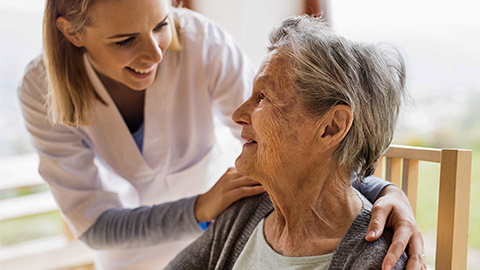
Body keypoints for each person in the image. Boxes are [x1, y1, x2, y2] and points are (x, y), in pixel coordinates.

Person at [17, 0, 424, 269]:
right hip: (143, 250)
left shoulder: (200, 42)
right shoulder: (40, 90)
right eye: (125, 40)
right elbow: (95, 225)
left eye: (161, 25)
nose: (156, 53)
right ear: (72, 33)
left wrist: (382, 190)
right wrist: (201, 210)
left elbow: (303, 140)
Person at [166, 15, 411, 270]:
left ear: (331, 128)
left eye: (263, 97)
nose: (238, 115)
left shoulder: (376, 261)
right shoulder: (244, 211)